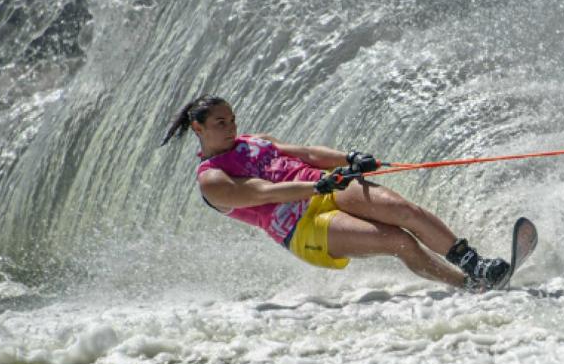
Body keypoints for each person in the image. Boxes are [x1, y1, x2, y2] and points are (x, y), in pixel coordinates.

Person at [160, 95, 510, 291]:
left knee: (405, 210)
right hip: (301, 227)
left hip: (322, 188)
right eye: (221, 123)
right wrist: (317, 185)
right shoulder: (211, 180)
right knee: (399, 242)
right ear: (198, 128)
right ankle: (467, 285)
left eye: (232, 119)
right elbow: (265, 192)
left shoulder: (256, 140)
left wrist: (350, 158)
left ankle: (475, 264)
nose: (231, 127)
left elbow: (309, 154)